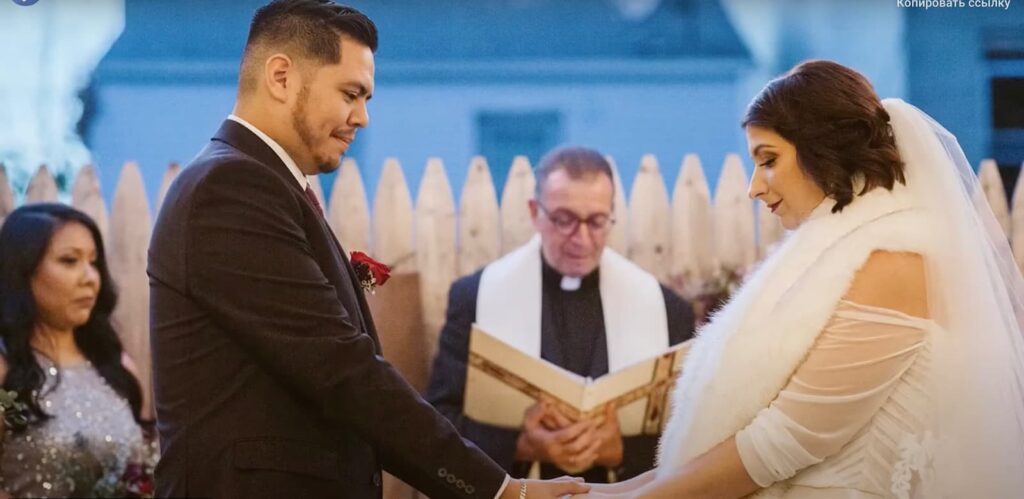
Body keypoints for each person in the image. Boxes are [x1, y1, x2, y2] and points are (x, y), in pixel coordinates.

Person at [147, 1, 589, 498]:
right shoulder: (229, 189)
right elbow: (342, 371)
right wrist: (501, 491)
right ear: (280, 76)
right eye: (351, 94)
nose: (363, 117)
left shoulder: (262, 184)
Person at [576, 60, 1024, 498]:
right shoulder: (832, 256)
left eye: (767, 159)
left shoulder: (895, 260)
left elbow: (783, 441)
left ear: (821, 148)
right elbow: (710, 454)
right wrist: (599, 493)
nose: (753, 187)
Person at [426, 146, 695, 484]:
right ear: (535, 211)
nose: (581, 239)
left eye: (597, 221)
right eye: (564, 219)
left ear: (612, 215)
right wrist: (520, 446)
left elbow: (692, 432)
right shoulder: (475, 297)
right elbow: (438, 421)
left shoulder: (667, 309)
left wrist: (624, 450)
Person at [0, 203, 148, 497]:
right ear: (22, 271)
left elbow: (142, 471)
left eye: (94, 263)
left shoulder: (117, 366)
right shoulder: (5, 371)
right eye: (70, 261)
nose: (90, 278)